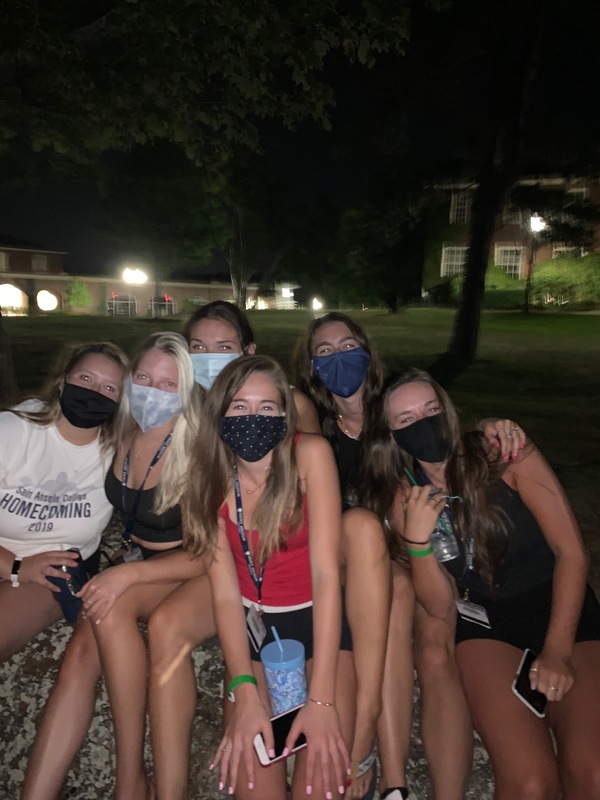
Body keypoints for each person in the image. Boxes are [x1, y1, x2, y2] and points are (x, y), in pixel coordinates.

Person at [295, 312, 525, 800]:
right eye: (325, 351)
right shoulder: (316, 428)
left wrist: (489, 424)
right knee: (395, 589)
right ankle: (386, 765)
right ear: (312, 367)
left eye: (349, 344)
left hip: (415, 548)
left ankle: (402, 786)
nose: (340, 358)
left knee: (431, 633)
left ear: (368, 351)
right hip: (351, 557)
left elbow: (449, 430)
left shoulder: (400, 408)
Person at [375, 368, 600, 800]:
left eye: (431, 410)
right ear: (392, 436)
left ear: (449, 412)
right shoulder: (406, 498)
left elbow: (572, 552)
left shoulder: (504, 453)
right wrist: (419, 544)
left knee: (590, 772)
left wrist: (556, 650)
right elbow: (440, 608)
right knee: (531, 784)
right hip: (487, 626)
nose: (422, 424)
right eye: (405, 420)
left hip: (558, 604)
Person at [21, 332, 203, 800]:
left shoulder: (200, 447)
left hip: (190, 565)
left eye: (168, 383)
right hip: (140, 557)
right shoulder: (122, 434)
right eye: (142, 378)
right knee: (81, 653)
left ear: (186, 391)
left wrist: (127, 572)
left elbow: (212, 551)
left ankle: (129, 780)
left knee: (108, 605)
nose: (152, 391)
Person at [185, 354, 352, 800]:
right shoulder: (206, 475)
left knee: (319, 783)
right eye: (239, 407)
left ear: (285, 414)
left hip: (319, 626)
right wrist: (243, 689)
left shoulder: (310, 455)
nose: (253, 418)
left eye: (267, 408)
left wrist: (321, 700)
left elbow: (325, 574)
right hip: (257, 635)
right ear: (218, 413)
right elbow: (224, 596)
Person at [0, 341, 127, 663]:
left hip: (50, 575)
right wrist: (14, 566)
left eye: (109, 387)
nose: (94, 391)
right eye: (85, 379)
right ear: (62, 381)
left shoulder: (119, 453)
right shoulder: (15, 430)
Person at [184, 300, 320, 433]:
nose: (210, 357)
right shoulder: (180, 405)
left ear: (249, 350)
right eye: (199, 346)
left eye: (224, 347)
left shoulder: (292, 403)